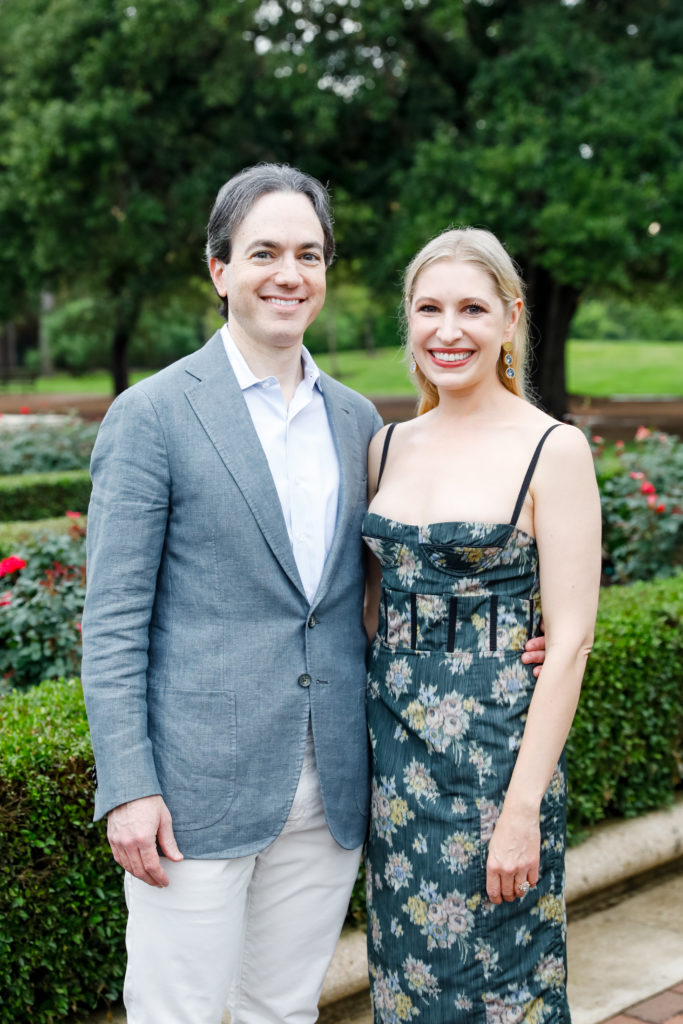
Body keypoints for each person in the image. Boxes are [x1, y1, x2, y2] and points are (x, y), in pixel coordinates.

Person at [81, 166, 546, 1024]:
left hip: (332, 782)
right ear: (219, 269)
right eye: (263, 252)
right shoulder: (151, 415)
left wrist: (519, 629)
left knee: (284, 1008)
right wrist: (127, 785)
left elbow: (384, 588)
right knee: (176, 1009)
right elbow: (110, 626)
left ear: (326, 271)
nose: (287, 273)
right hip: (192, 793)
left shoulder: (359, 424)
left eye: (307, 254)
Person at [362, 228, 600, 1021]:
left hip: (495, 775)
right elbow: (373, 612)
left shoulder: (551, 449)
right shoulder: (384, 447)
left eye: (471, 308)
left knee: (503, 991)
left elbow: (568, 643)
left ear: (510, 320)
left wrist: (521, 810)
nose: (447, 330)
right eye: (427, 308)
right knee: (405, 992)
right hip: (392, 778)